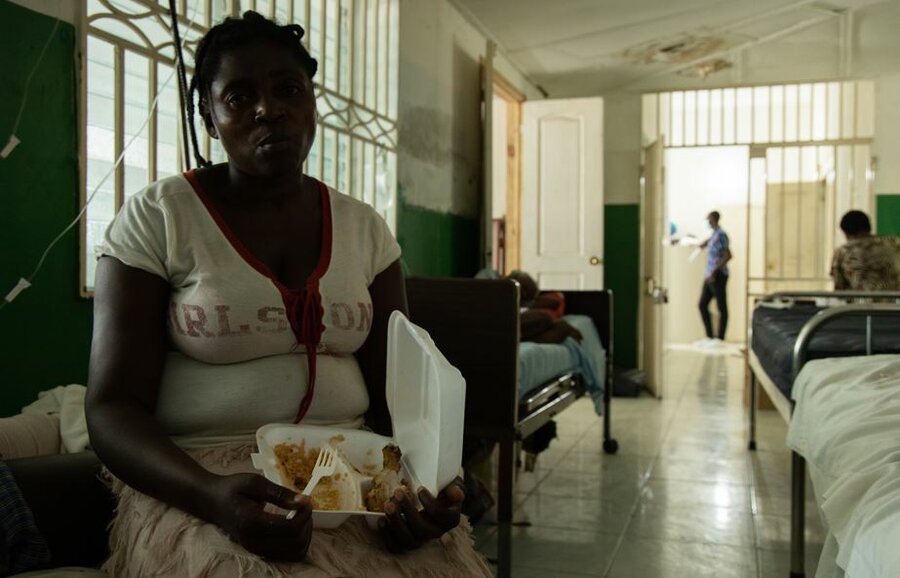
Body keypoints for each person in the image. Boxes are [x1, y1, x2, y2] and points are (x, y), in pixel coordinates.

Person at [85, 12, 490, 578]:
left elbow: (402, 399)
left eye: (288, 90)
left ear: (311, 103)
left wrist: (420, 485)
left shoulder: (365, 230)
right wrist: (212, 496)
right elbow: (110, 409)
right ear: (209, 117)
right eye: (239, 96)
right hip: (200, 472)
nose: (267, 110)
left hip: (352, 465)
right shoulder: (159, 218)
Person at [831, 210, 900, 291]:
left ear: (846, 233)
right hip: (896, 300)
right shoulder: (894, 243)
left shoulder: (843, 252)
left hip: (863, 302)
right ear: (869, 227)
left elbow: (840, 288)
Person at [698, 211, 731, 344]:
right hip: (709, 275)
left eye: (709, 220)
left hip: (718, 275)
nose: (707, 222)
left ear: (714, 220)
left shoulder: (721, 235)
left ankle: (720, 338)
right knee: (702, 305)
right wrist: (705, 243)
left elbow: (728, 255)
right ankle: (709, 336)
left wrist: (714, 272)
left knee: (721, 306)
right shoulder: (714, 235)